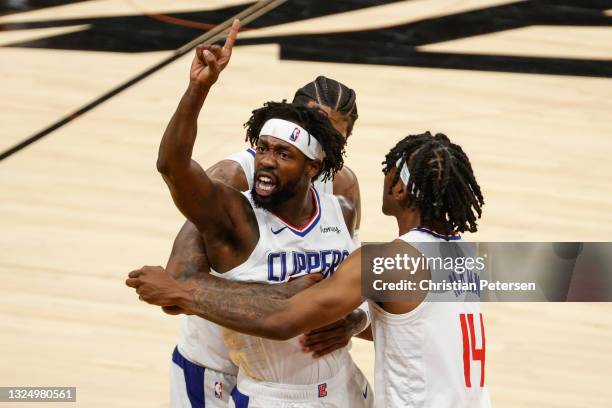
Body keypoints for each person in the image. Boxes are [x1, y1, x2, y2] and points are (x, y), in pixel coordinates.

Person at [128, 132, 492, 407]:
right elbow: (411, 327)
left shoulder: (390, 262)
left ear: (398, 187)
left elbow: (284, 319)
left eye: (389, 172)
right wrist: (354, 322)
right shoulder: (465, 255)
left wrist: (184, 291)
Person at [140, 19, 373, 407]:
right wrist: (279, 301)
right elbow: (178, 278)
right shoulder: (233, 177)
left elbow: (353, 275)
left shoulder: (343, 188)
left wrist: (353, 319)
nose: (322, 136)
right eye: (312, 123)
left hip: (302, 375)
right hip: (215, 359)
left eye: (333, 134)